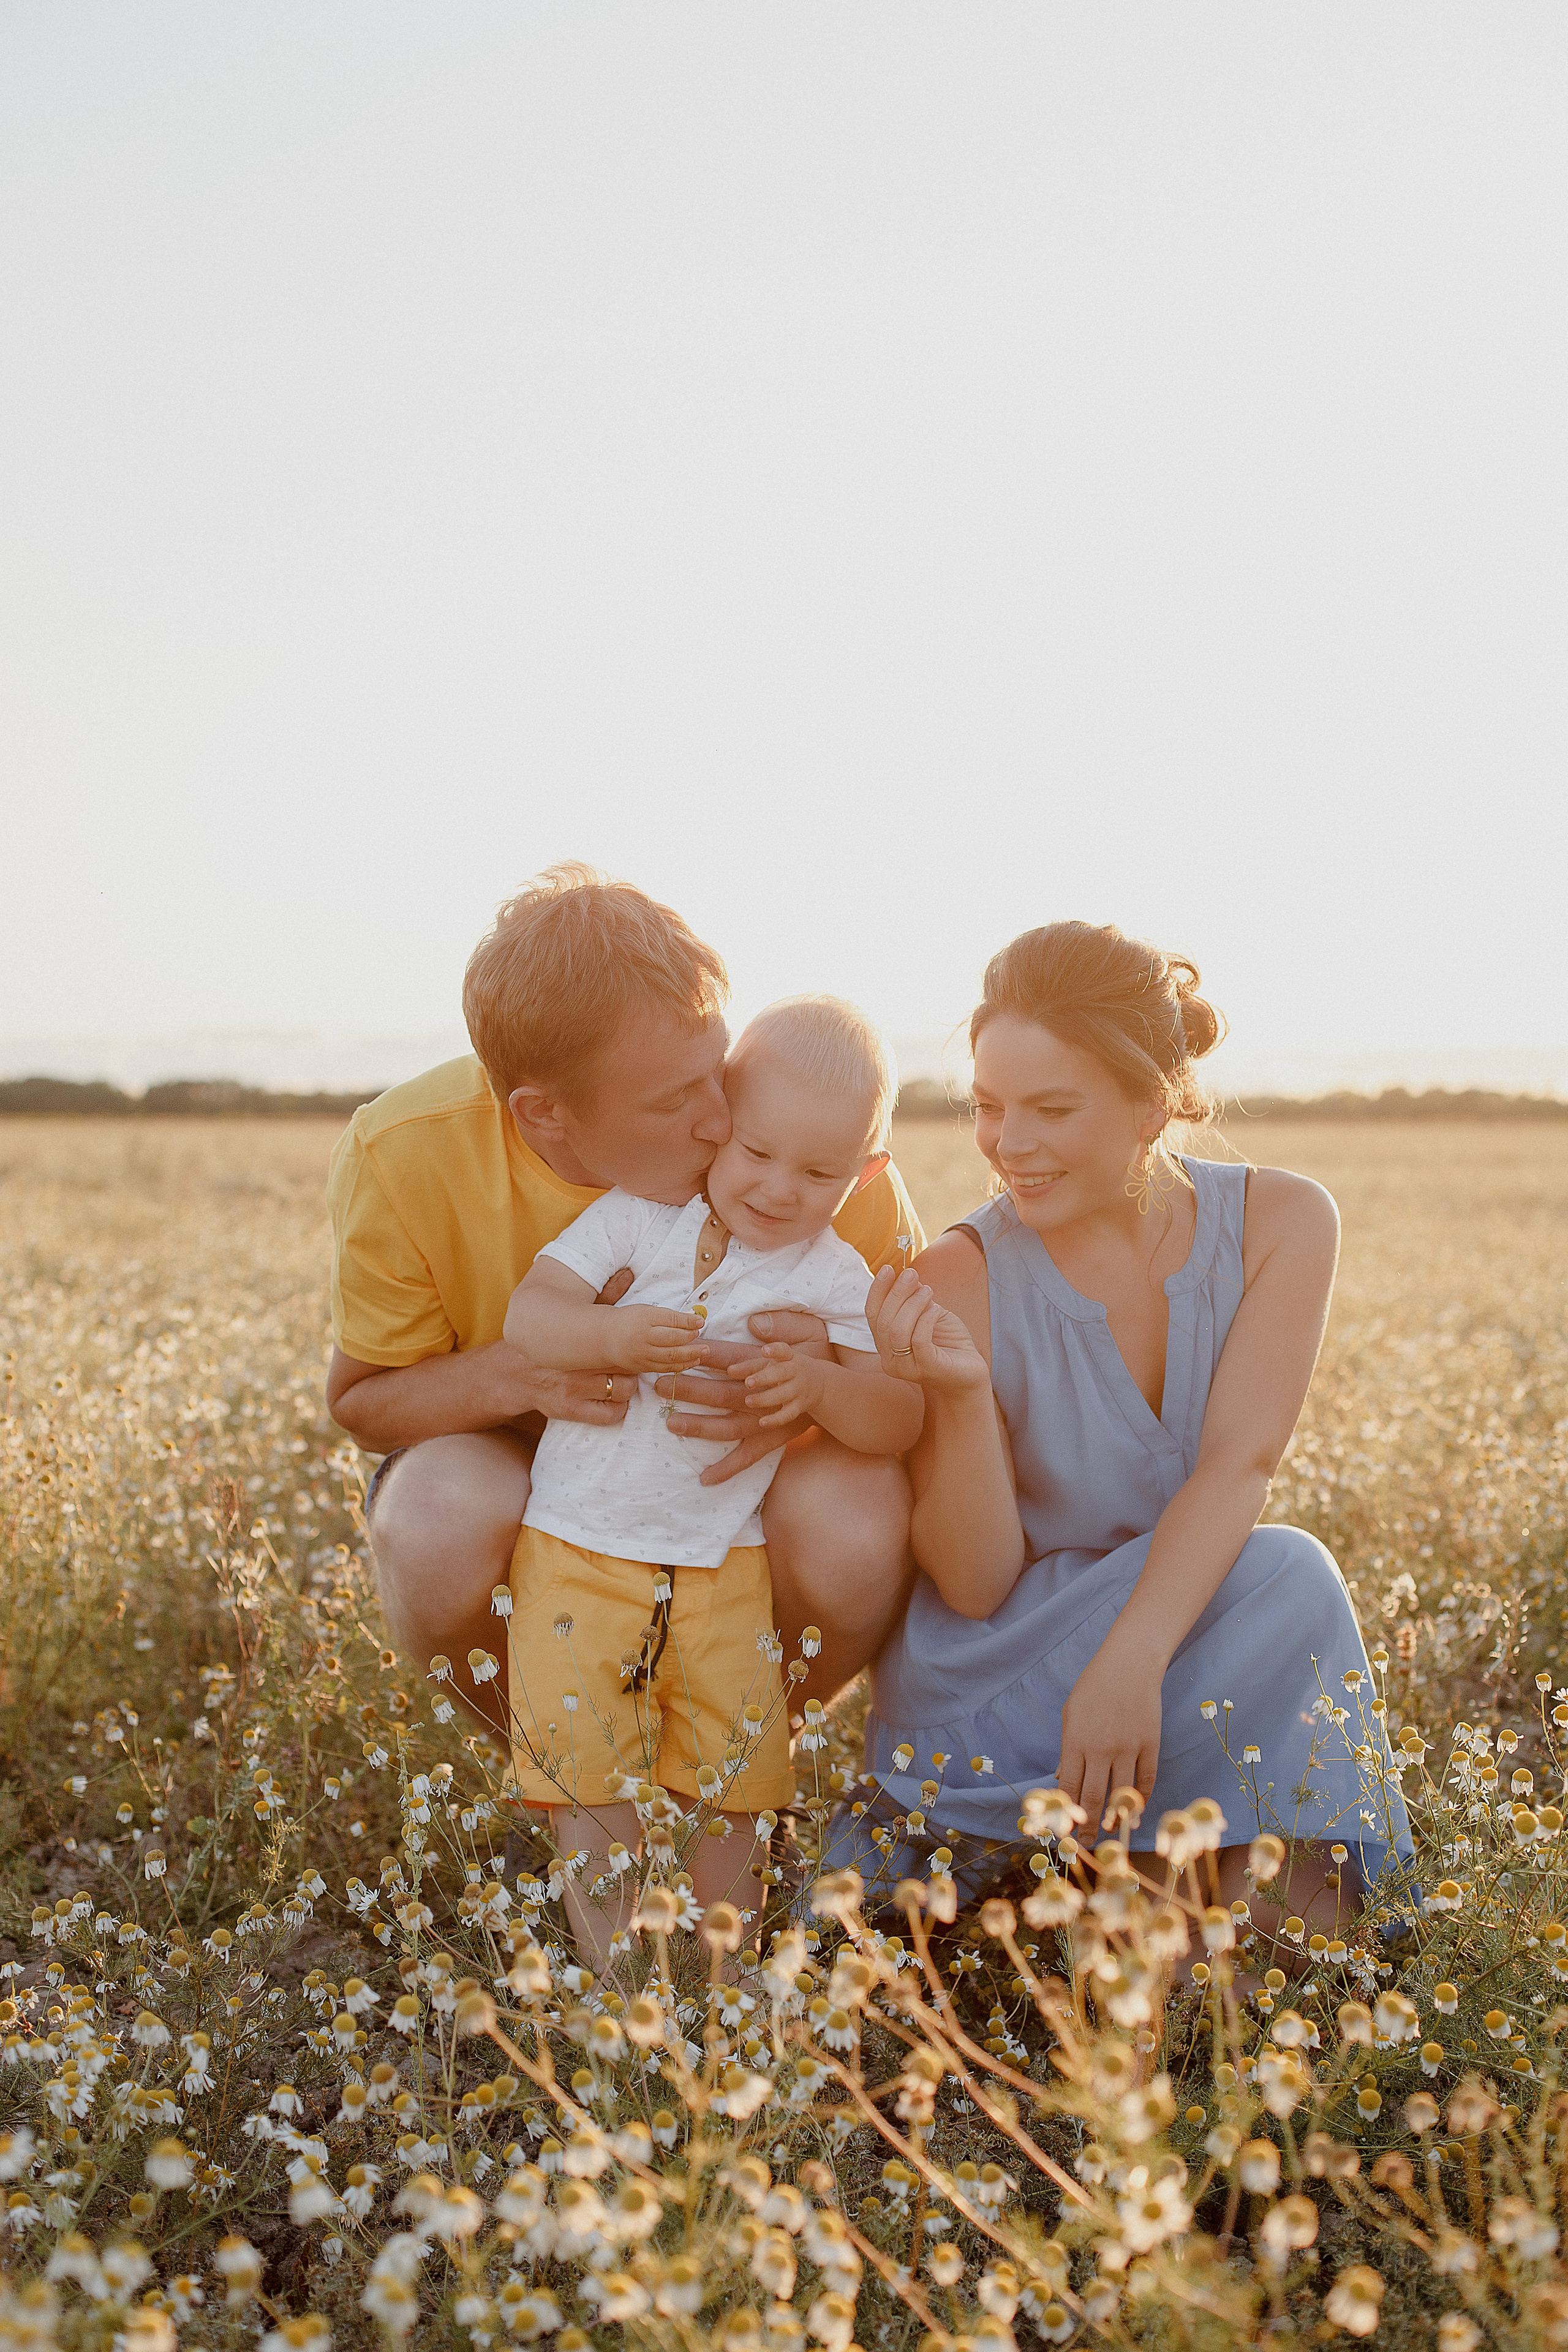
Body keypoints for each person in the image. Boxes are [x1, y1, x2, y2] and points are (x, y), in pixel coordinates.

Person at [844, 919, 1413, 1942]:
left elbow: (1242, 1463)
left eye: (1051, 1108)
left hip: (1160, 1652)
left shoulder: (1286, 1223)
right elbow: (972, 1587)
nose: (1008, 1145)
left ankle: (1224, 1948)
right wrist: (964, 1395)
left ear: (1152, 1102)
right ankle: (1171, 1925)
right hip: (998, 1685)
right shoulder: (959, 1276)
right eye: (988, 1108)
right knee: (1289, 1579)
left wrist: (1132, 1662)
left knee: (1278, 1585)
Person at [325, 865, 924, 1733]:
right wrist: (527, 1374)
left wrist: (800, 1398)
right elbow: (365, 1404)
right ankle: (559, 1768)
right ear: (544, 1114)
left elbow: (916, 1401)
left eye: (714, 1071)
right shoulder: (404, 1153)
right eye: (676, 1100)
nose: (723, 1121)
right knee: (435, 1516)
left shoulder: (802, 1152)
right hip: (529, 1475)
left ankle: (738, 1771)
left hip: (731, 1484)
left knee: (857, 1518)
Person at [499, 996, 924, 1961]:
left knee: (736, 1780)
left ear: (867, 1173)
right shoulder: (640, 1220)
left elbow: (897, 1415)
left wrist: (818, 1385)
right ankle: (617, 1984)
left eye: (819, 1172)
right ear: (721, 1122)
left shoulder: (832, 1274)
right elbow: (534, 1314)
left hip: (724, 1559)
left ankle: (719, 1980)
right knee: (589, 1777)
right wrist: (607, 1333)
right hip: (578, 1541)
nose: (778, 1189)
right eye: (758, 1152)